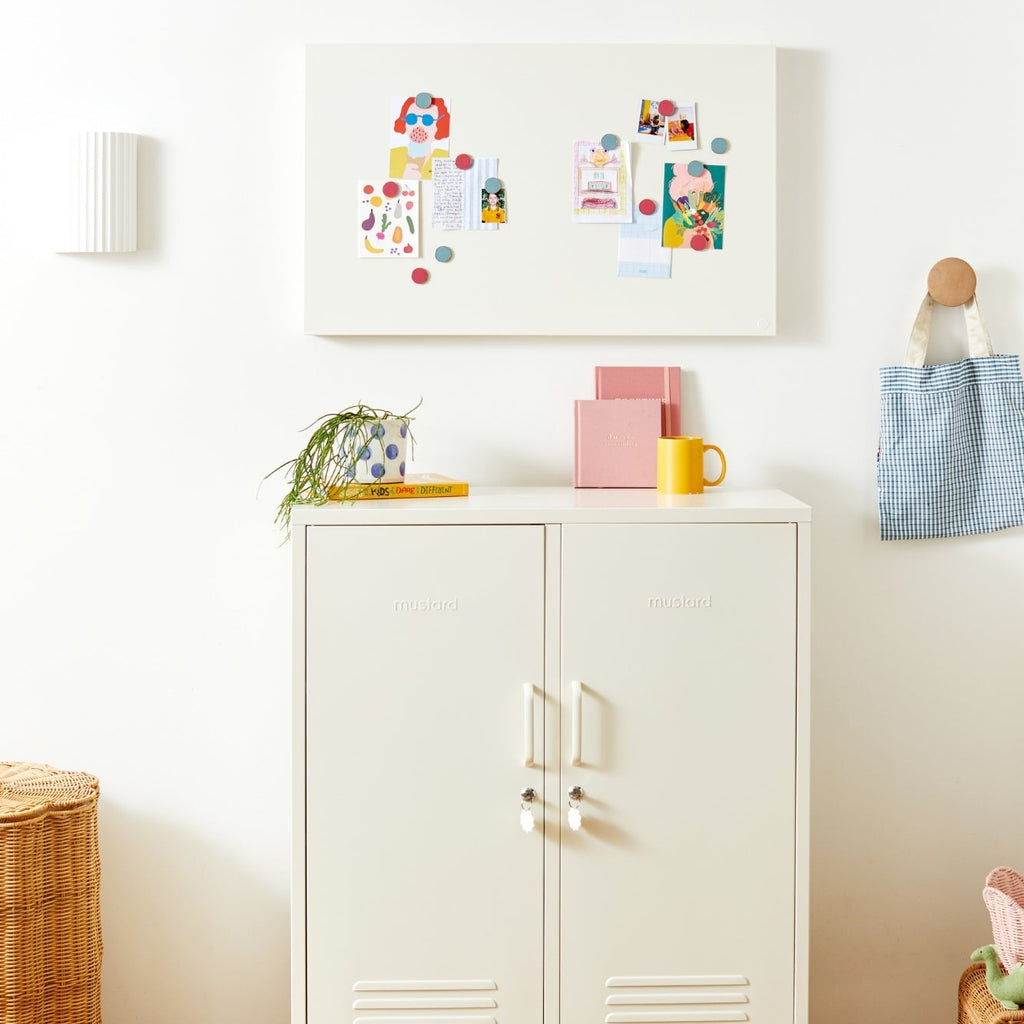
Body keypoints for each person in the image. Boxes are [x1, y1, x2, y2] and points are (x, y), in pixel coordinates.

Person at [389, 95, 451, 180]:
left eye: (427, 120)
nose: (418, 125)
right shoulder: (395, 154)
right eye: (411, 119)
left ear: (439, 125)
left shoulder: (442, 157)